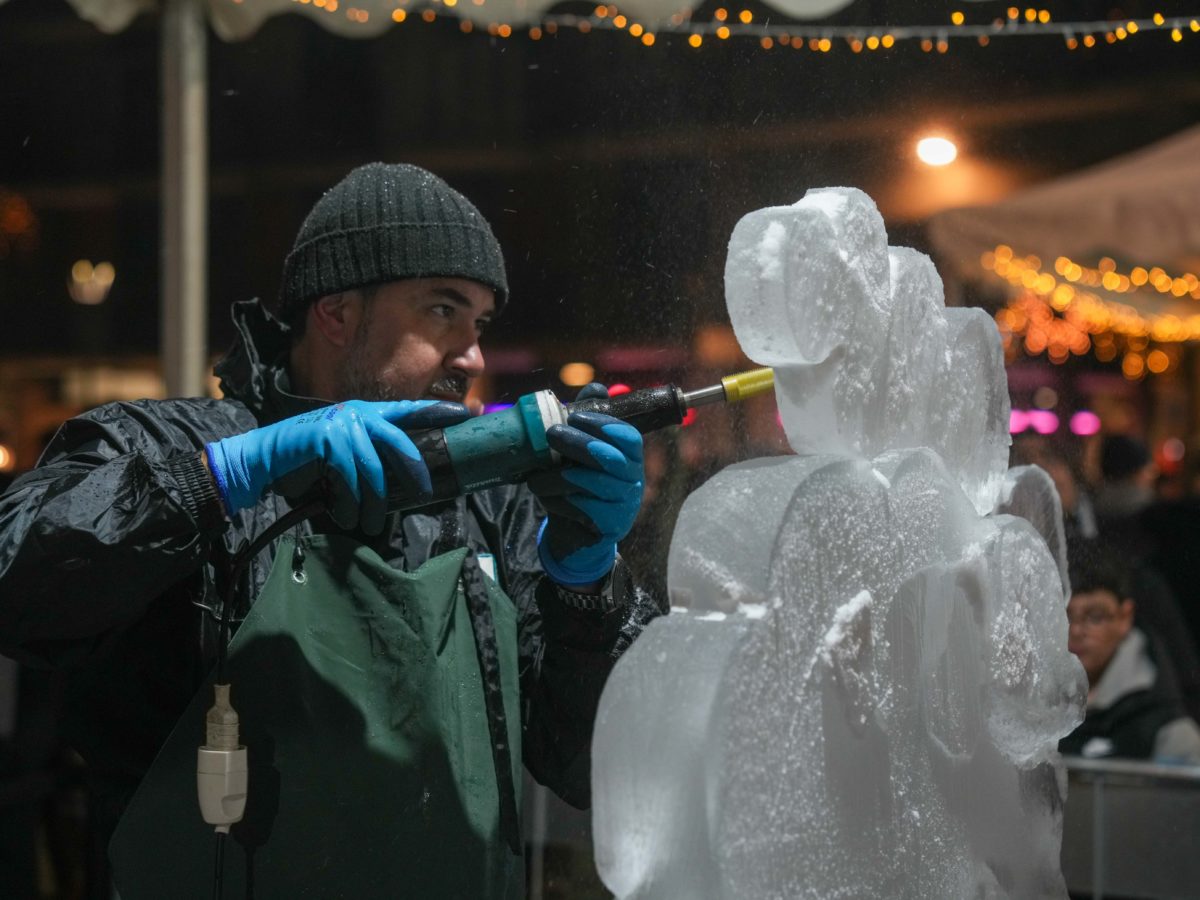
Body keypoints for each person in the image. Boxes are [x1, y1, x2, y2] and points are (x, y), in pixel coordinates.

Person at [0, 162, 662, 897]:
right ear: (337, 314)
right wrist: (218, 477)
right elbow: (19, 587)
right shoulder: (167, 445)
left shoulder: (494, 507)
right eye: (443, 310)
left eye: (479, 323)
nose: (472, 355)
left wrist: (587, 581)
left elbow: (596, 765)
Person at [1059, 539, 1200, 764]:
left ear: (1125, 617)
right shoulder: (1028, 705)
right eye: (1063, 616)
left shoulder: (1164, 732)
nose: (1076, 630)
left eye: (1095, 617)